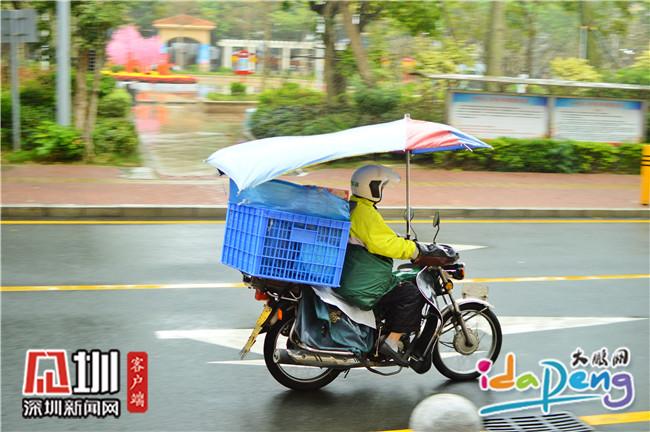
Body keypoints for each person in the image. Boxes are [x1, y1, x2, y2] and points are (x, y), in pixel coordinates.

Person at [336, 164, 425, 365]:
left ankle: (382, 334)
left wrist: (400, 239)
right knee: (410, 293)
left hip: (355, 273)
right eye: (381, 186)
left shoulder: (355, 206)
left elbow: (378, 237)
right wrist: (415, 250)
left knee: (399, 286)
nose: (382, 190)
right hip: (363, 282)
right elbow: (383, 244)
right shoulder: (365, 213)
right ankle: (391, 342)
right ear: (372, 187)